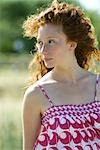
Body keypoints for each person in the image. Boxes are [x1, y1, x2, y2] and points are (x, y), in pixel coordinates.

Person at [22, 0, 100, 149]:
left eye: (51, 42)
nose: (43, 50)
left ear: (72, 44)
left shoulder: (98, 85)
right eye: (40, 43)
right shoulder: (36, 94)